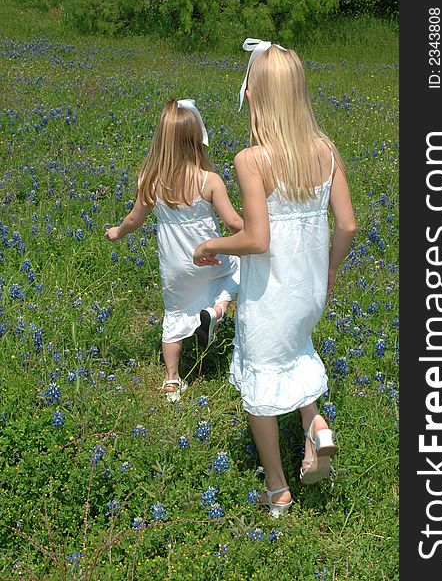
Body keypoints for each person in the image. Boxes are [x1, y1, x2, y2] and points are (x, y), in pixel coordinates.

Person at [193, 39, 356, 516]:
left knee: (262, 388)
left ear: (258, 97)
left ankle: (277, 486)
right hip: (308, 291)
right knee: (298, 352)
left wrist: (211, 245)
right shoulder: (325, 151)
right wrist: (329, 269)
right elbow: (346, 224)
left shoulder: (252, 159)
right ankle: (316, 427)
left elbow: (258, 240)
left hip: (270, 295)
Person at [106, 98, 243, 402]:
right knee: (239, 269)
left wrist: (118, 232)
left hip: (175, 269)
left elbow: (134, 219)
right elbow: (233, 222)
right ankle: (217, 310)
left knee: (174, 315)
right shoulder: (211, 181)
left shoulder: (151, 181)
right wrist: (258, 236)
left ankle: (172, 380)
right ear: (196, 139)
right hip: (210, 261)